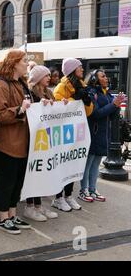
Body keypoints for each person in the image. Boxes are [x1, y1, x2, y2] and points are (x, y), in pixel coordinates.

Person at [0, 49, 32, 235]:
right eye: (24, 61)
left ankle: (12, 214)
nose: (27, 64)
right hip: (7, 144)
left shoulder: (22, 84)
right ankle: (3, 217)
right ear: (13, 63)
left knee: (17, 181)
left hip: (22, 142)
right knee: (7, 181)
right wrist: (20, 110)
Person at [52, 58, 94, 212]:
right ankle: (58, 198)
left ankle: (69, 195)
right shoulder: (61, 87)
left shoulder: (82, 85)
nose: (82, 70)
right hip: (64, 134)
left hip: (77, 132)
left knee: (72, 165)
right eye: (80, 67)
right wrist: (74, 99)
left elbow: (88, 112)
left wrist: (87, 101)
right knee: (62, 165)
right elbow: (57, 107)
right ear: (72, 70)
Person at [79, 70, 126, 203]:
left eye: (106, 76)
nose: (106, 78)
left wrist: (117, 105)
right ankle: (83, 190)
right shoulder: (92, 92)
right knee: (88, 163)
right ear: (94, 79)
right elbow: (96, 113)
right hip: (93, 132)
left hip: (103, 133)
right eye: (103, 76)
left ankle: (93, 189)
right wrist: (114, 104)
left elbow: (111, 115)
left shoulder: (107, 92)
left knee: (96, 163)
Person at [23, 65, 59, 222]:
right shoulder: (30, 93)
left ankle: (38, 206)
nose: (49, 78)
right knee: (33, 173)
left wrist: (61, 104)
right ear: (38, 78)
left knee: (42, 173)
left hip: (46, 138)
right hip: (33, 139)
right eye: (46, 75)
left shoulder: (49, 92)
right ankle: (29, 206)